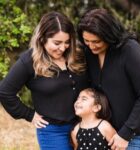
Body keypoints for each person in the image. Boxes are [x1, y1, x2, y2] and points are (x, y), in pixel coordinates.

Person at [0, 11, 89, 150]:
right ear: (42, 39)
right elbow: (5, 91)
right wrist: (29, 115)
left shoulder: (79, 53)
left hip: (86, 126)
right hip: (53, 132)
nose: (63, 48)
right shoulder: (29, 61)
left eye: (67, 42)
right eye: (57, 43)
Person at [77, 8, 140, 150]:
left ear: (109, 35)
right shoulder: (89, 52)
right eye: (87, 41)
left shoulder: (130, 51)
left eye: (96, 41)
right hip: (102, 131)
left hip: (133, 136)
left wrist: (125, 134)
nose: (91, 46)